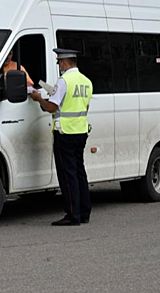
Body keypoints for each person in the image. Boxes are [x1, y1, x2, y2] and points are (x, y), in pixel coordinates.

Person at [30, 48, 93, 226]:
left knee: (67, 175)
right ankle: (84, 212)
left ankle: (73, 215)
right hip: (80, 132)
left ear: (65, 62)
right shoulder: (86, 81)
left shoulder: (64, 81)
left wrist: (38, 99)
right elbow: (85, 107)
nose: (59, 65)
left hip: (65, 133)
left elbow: (51, 107)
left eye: (59, 62)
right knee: (80, 172)